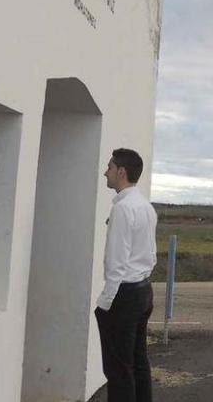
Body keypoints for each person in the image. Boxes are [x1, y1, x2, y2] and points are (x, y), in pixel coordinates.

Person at [95, 148, 158, 402]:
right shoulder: (145, 206)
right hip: (143, 291)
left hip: (124, 295)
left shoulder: (123, 209)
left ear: (121, 172)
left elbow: (116, 262)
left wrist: (105, 303)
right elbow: (150, 255)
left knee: (118, 370)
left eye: (109, 167)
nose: (105, 172)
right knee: (138, 362)